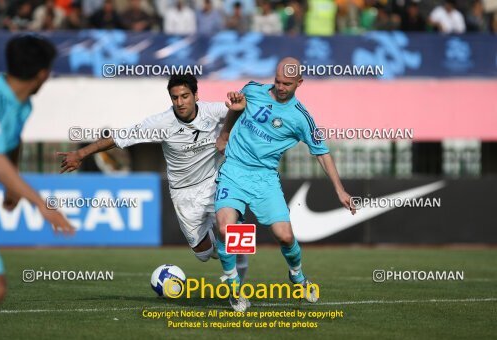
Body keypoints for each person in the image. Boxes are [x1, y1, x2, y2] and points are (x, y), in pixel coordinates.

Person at [57, 75, 249, 280]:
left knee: (232, 233)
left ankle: (238, 288)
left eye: (185, 96)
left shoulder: (214, 111)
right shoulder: (161, 123)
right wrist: (80, 154)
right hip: (183, 193)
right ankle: (224, 246)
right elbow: (119, 137)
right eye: (175, 98)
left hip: (216, 182)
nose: (180, 102)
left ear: (196, 95)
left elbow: (243, 112)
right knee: (204, 253)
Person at [214, 57, 356, 312]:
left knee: (285, 236)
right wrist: (224, 135)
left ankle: (297, 276)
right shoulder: (253, 90)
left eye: (287, 84)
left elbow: (322, 153)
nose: (280, 87)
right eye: (278, 81)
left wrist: (340, 189)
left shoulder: (301, 118)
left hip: (265, 178)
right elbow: (234, 111)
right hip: (234, 170)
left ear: (299, 83)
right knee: (226, 229)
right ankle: (234, 289)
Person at [0, 35, 75, 310]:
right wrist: (41, 204)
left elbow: (10, 144)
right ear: (42, 74)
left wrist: (12, 188)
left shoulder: (21, 105)